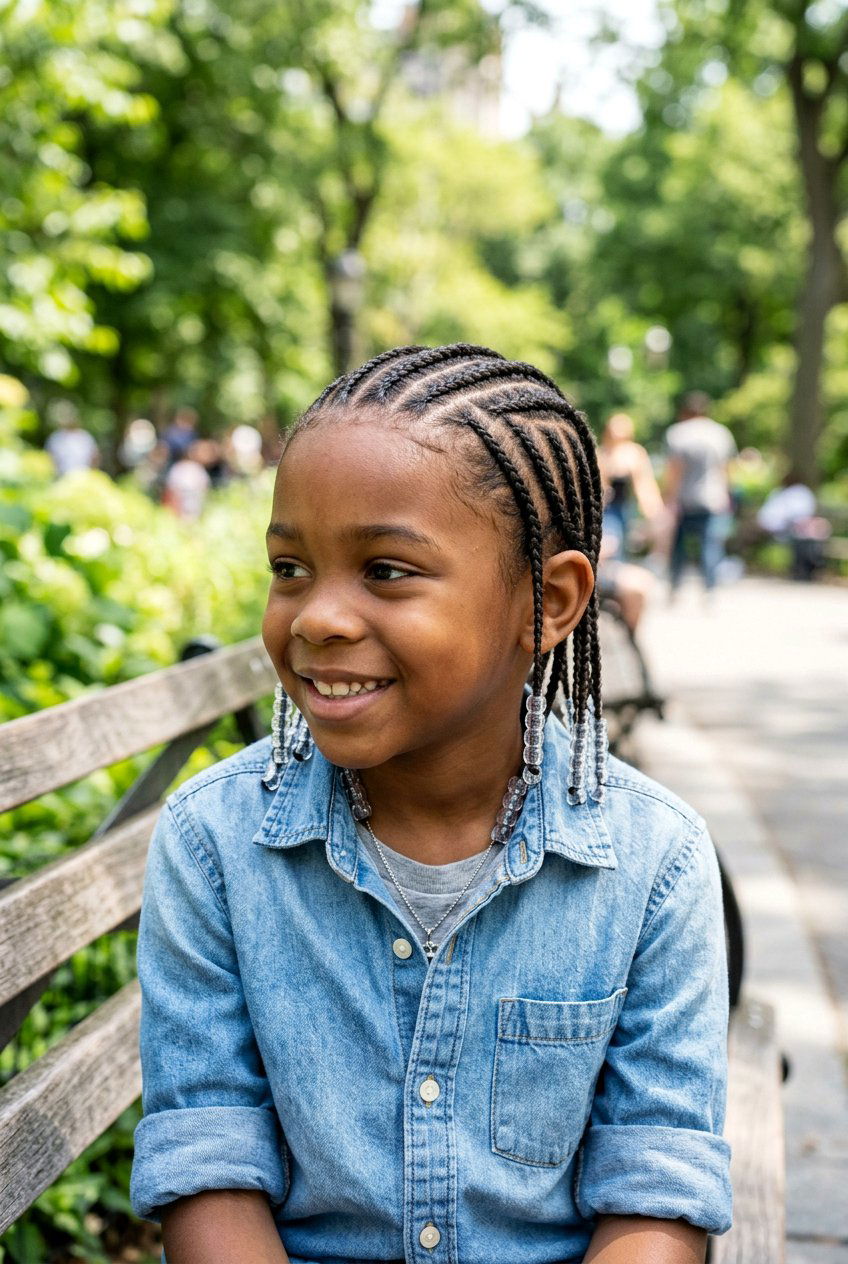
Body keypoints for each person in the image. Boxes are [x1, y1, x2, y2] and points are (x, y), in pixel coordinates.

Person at [130, 345, 732, 1263]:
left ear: (550, 601)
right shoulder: (215, 843)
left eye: (386, 571)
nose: (317, 616)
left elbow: (657, 1191)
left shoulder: (655, 863)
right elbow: (209, 1164)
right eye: (289, 568)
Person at [665, 392, 737, 594]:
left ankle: (675, 586)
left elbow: (674, 470)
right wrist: (728, 494)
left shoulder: (678, 433)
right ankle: (710, 588)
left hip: (684, 499)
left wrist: (669, 497)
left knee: (679, 546)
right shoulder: (720, 433)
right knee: (710, 545)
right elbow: (727, 468)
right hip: (713, 498)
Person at [597, 412, 664, 560]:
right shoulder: (601, 453)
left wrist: (653, 509)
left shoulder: (634, 453)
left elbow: (644, 484)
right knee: (611, 545)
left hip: (626, 507)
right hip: (607, 510)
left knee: (622, 546)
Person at [757, 471, 831, 581]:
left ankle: (804, 571)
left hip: (793, 529)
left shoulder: (796, 493)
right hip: (784, 528)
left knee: (805, 538)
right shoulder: (783, 493)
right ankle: (803, 571)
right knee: (803, 537)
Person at [44, 404, 99, 476]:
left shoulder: (85, 437)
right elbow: (48, 457)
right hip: (62, 476)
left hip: (84, 475)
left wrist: (92, 473)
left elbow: (94, 456)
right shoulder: (55, 437)